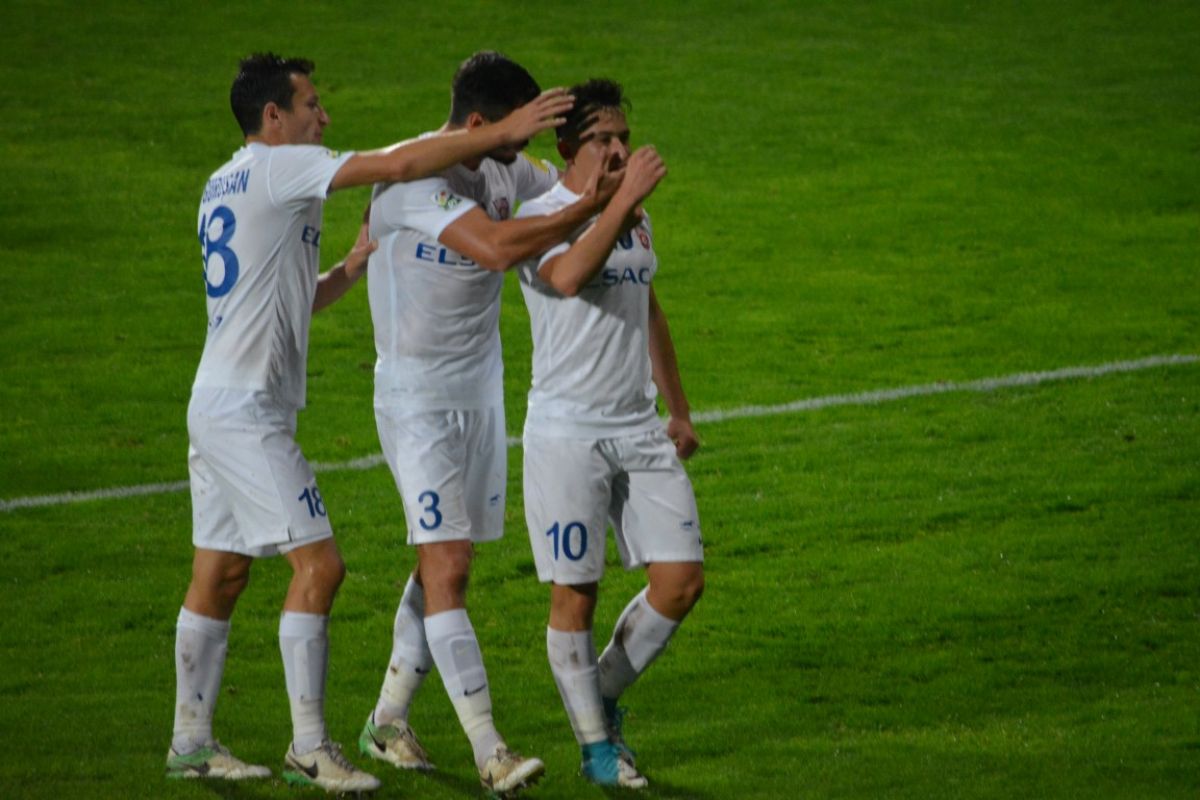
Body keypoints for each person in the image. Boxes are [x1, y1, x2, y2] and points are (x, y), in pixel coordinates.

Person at [168, 52, 573, 794]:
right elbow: (399, 162)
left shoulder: (224, 182)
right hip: (248, 408)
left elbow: (284, 299)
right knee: (320, 568)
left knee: (220, 572)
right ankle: (310, 748)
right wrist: (505, 131)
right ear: (272, 117)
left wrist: (349, 271)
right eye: (311, 105)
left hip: (220, 397)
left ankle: (190, 742)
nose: (323, 118)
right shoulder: (278, 167)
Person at [357, 51, 621, 796]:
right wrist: (591, 207)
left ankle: (386, 719)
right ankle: (489, 749)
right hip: (416, 400)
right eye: (516, 128)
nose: (523, 144)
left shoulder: (506, 169)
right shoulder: (413, 182)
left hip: (479, 395)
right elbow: (501, 249)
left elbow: (563, 185)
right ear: (478, 123)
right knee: (448, 565)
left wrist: (602, 163)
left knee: (446, 561)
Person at [513, 78, 704, 789]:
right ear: (567, 147)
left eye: (624, 136)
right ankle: (597, 748)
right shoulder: (540, 217)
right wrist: (618, 204)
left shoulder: (637, 215)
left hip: (638, 426)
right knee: (577, 594)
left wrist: (678, 407)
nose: (619, 149)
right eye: (602, 139)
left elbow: (647, 304)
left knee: (681, 581)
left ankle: (599, 692)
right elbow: (566, 276)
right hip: (568, 434)